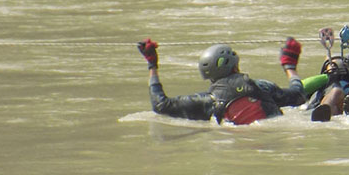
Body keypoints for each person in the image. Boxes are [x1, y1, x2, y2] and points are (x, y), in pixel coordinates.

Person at [136, 37, 325, 124]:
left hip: (236, 136)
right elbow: (297, 95)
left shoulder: (205, 102)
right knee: (317, 98)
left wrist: (152, 65)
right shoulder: (260, 87)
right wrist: (289, 66)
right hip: (278, 127)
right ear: (235, 65)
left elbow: (161, 105)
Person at [307, 26, 349, 118]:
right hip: (333, 107)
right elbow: (302, 92)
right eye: (334, 65)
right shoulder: (322, 85)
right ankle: (323, 112)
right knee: (337, 92)